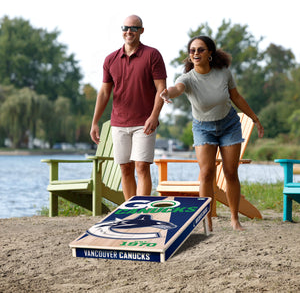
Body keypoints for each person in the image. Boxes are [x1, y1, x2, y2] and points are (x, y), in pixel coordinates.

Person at [160, 36, 264, 231]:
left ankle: (234, 219)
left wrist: (254, 118)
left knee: (230, 172)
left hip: (229, 125)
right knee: (206, 172)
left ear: (209, 53)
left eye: (200, 50)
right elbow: (177, 89)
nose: (196, 53)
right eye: (192, 51)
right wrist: (167, 93)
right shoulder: (187, 78)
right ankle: (206, 220)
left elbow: (236, 97)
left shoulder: (223, 73)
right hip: (203, 128)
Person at [90, 15, 167, 201]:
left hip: (144, 122)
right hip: (119, 123)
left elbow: (161, 89)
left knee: (141, 166)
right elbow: (104, 93)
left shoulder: (152, 55)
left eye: (134, 28)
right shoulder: (111, 59)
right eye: (125, 27)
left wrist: (154, 116)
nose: (129, 31)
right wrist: (94, 123)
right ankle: (130, 213)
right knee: (125, 168)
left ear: (141, 30)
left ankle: (142, 211)